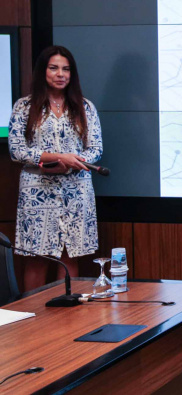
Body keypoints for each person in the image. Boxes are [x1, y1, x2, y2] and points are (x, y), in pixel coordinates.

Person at [8, 46, 103, 290]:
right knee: (37, 257)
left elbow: (95, 148)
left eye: (66, 69)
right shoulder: (24, 107)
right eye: (54, 68)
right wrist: (56, 157)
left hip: (76, 190)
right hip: (37, 191)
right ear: (43, 72)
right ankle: (34, 319)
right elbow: (16, 149)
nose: (60, 74)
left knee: (70, 255)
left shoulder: (85, 107)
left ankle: (69, 320)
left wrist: (71, 165)